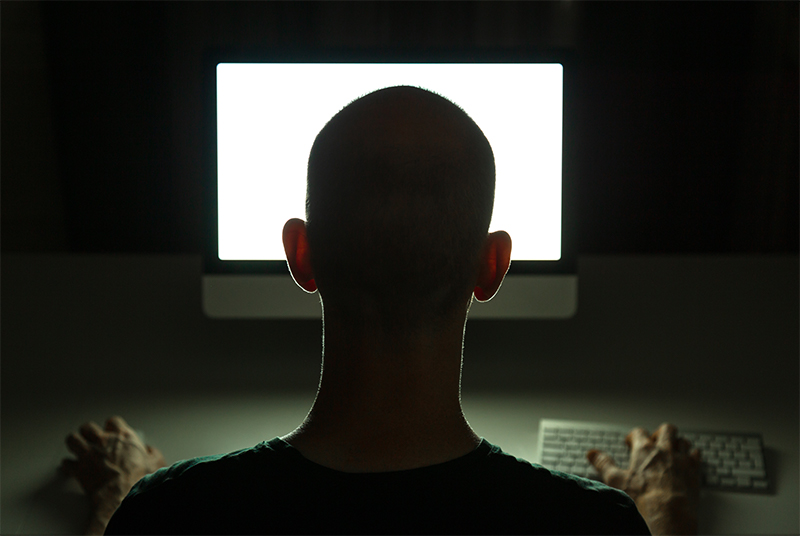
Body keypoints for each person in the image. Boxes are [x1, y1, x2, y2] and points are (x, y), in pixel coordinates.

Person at [62, 86, 701, 535]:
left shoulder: (171, 515)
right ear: (493, 266)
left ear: (299, 253)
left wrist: (119, 498)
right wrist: (666, 507)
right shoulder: (591, 526)